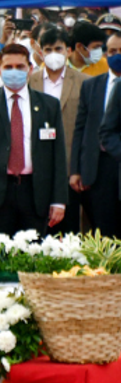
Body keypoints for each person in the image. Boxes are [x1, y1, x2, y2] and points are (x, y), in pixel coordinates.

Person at [0, 44, 67, 243]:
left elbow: (58, 156)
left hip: (35, 193)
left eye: (20, 67)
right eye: (8, 67)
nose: (14, 72)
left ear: (30, 68)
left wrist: (59, 200)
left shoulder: (49, 106)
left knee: (34, 256)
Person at [28, 26, 88, 234]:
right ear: (40, 52)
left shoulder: (85, 82)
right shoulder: (29, 82)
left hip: (72, 166)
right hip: (37, 166)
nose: (54, 54)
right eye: (48, 49)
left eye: (59, 49)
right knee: (39, 229)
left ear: (69, 51)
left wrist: (80, 167)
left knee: (71, 228)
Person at [76, 34, 121, 237]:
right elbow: (81, 129)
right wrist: (76, 170)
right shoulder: (91, 86)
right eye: (112, 51)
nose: (117, 56)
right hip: (99, 166)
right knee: (104, 230)